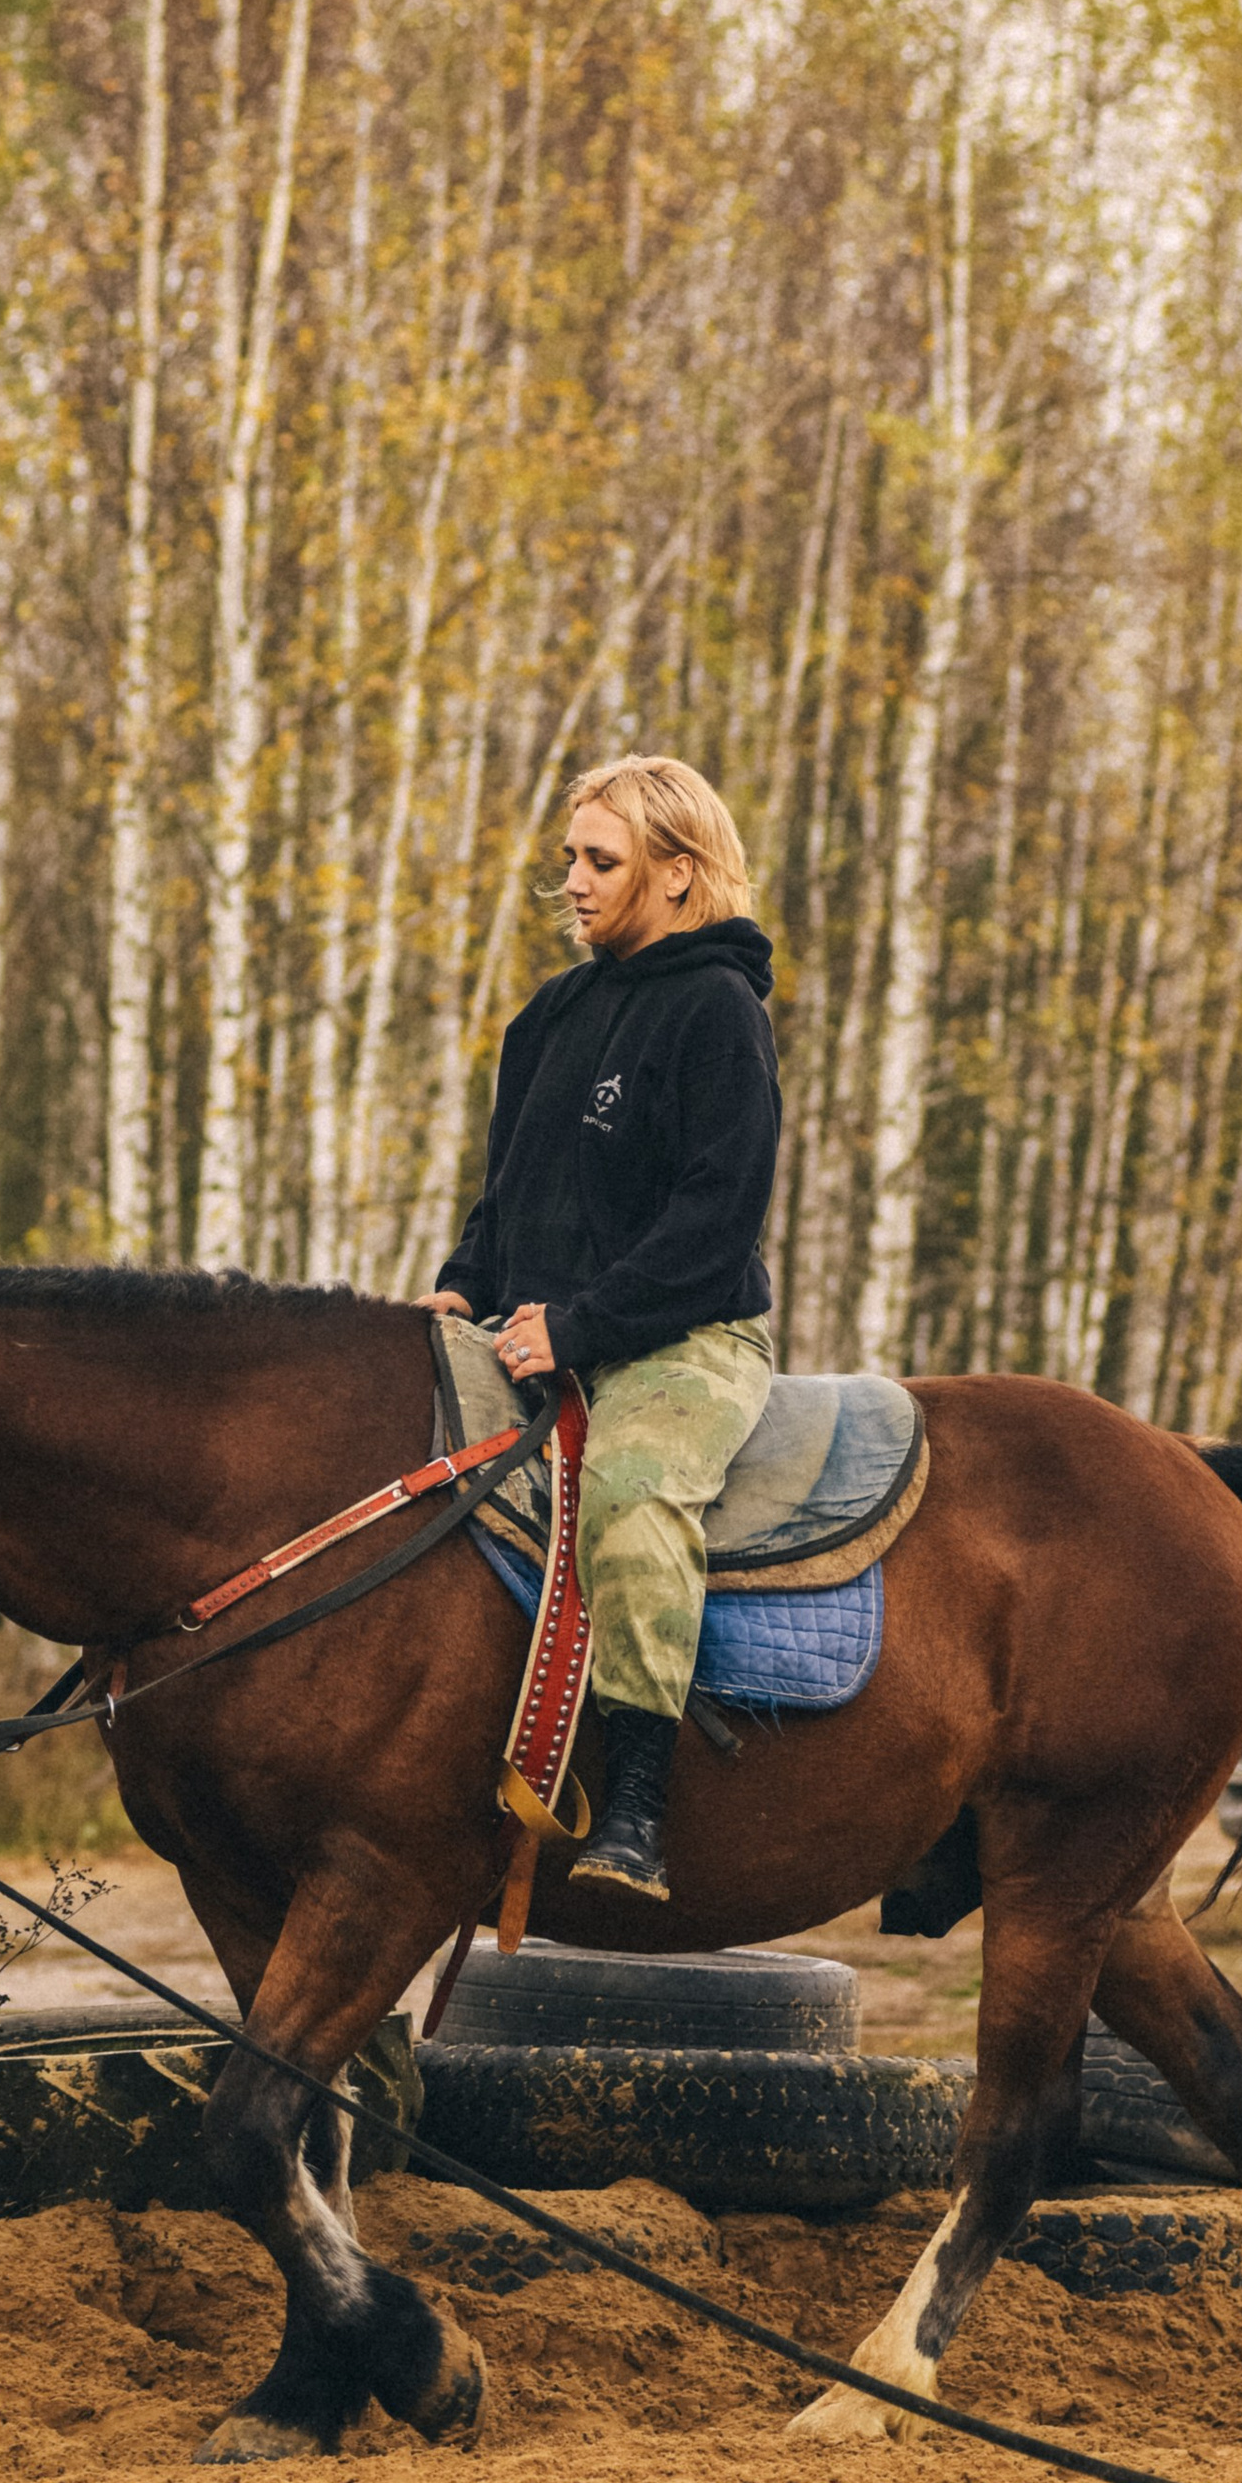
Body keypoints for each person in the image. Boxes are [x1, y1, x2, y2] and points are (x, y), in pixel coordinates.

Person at [426, 752, 781, 1903]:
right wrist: (456, 1287)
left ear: (678, 875)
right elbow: (508, 1194)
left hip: (685, 1344)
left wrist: (578, 1326)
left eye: (600, 860)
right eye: (568, 860)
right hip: (541, 1330)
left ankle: (636, 1805)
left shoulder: (719, 1013)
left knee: (628, 1494)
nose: (571, 882)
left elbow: (713, 1225)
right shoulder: (549, 1018)